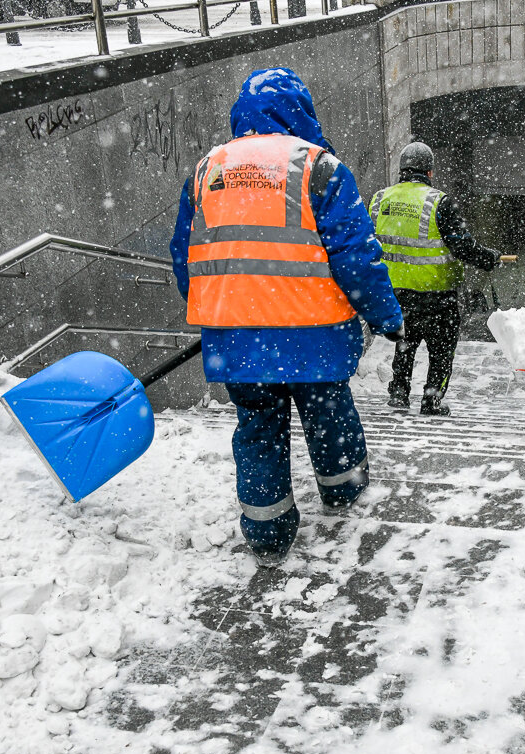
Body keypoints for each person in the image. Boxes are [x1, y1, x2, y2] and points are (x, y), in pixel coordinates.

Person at [169, 68, 405, 565]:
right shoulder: (319, 167)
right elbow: (356, 255)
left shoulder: (205, 170)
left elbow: (183, 254)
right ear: (301, 111)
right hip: (313, 330)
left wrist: (214, 308)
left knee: (257, 426)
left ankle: (267, 530)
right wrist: (385, 316)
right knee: (327, 412)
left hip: (237, 335)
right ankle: (342, 489)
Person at [369, 142, 501, 416]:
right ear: (429, 172)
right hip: (437, 293)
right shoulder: (438, 202)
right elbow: (462, 246)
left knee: (405, 344)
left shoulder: (380, 199)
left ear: (402, 170)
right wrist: (489, 258)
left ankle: (398, 394)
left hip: (396, 291)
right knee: (441, 351)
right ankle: (432, 401)